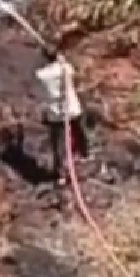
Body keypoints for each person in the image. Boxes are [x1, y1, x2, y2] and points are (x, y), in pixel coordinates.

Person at [35, 47, 89, 182]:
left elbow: (40, 76)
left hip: (56, 113)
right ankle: (84, 155)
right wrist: (62, 61)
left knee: (57, 143)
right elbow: (70, 70)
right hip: (72, 109)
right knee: (79, 132)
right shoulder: (66, 68)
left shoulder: (41, 74)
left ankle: (60, 173)